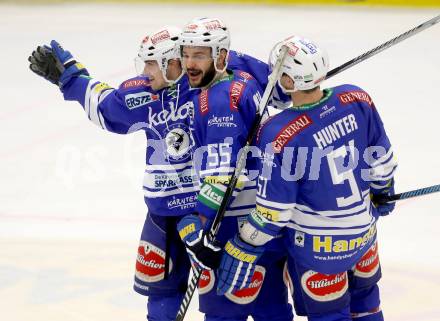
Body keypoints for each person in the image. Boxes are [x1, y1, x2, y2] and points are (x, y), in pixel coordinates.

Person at [28, 25, 291, 321]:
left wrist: (299, 75)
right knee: (163, 296)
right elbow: (106, 108)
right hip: (164, 213)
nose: (145, 72)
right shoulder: (144, 91)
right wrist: (72, 78)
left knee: (237, 297)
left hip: (214, 214)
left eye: (152, 63)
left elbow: (279, 90)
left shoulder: (222, 77)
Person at [216, 35, 397, 321]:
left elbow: (273, 211)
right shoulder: (356, 97)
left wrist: (244, 244)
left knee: (330, 315)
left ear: (289, 81)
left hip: (319, 249)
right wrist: (384, 191)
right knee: (367, 305)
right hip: (363, 236)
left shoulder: (278, 133)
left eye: (278, 71)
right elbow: (381, 159)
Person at [177, 17, 293, 321]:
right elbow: (280, 91)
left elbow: (223, 176)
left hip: (231, 222)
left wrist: (201, 231)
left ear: (220, 56)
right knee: (272, 306)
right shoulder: (242, 74)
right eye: (186, 54)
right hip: (265, 215)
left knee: (224, 311)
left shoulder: (217, 102)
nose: (189, 63)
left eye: (199, 55)